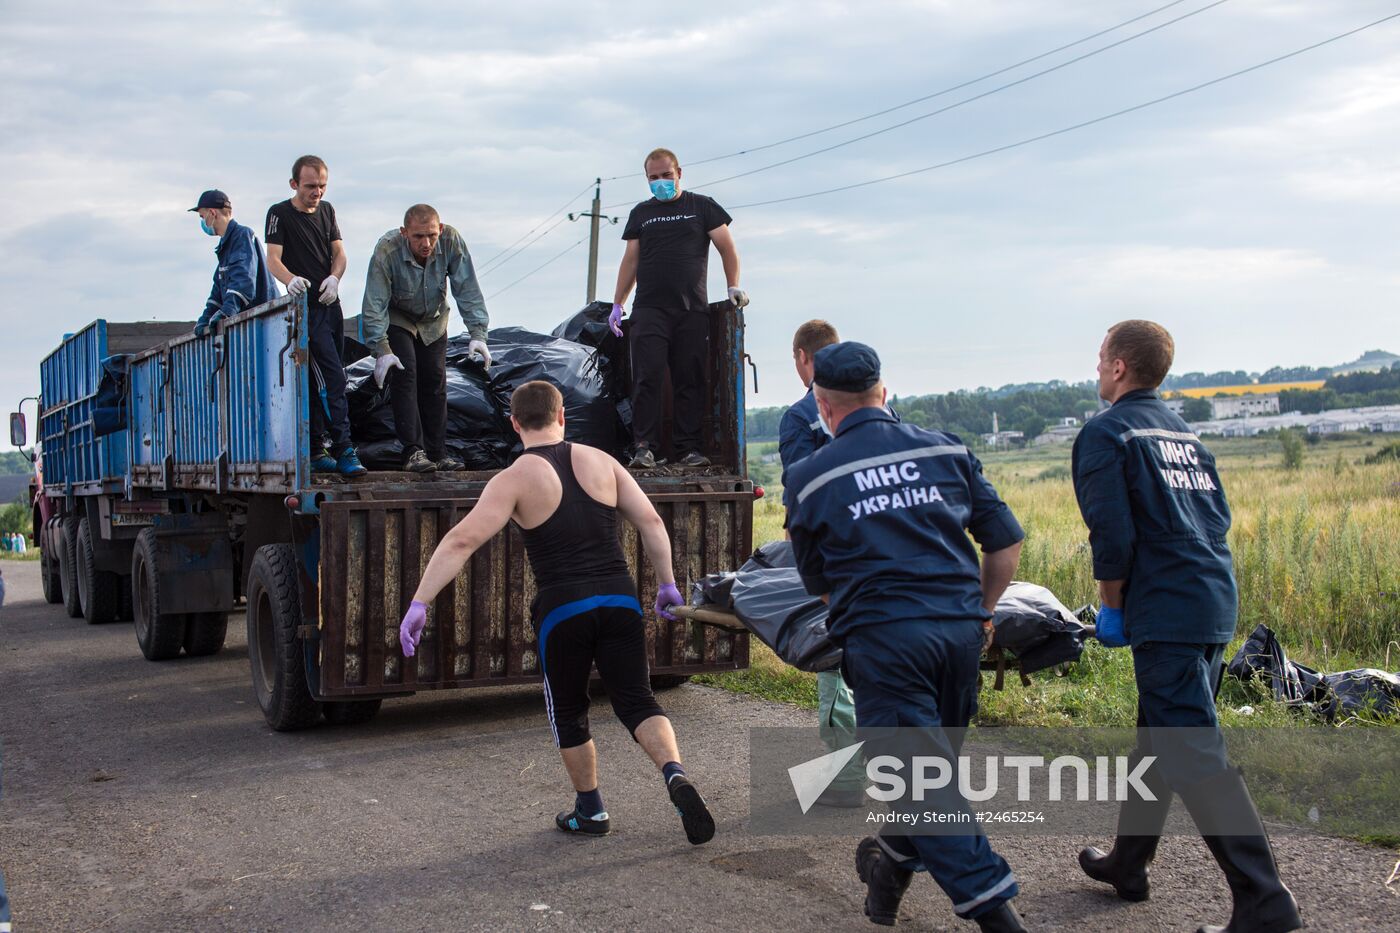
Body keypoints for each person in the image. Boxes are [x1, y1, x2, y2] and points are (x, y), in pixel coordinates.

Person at [398, 381, 715, 845]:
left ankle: (591, 811)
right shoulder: (602, 462)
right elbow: (650, 521)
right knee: (637, 700)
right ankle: (674, 773)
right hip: (619, 599)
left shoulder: (511, 479)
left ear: (514, 423)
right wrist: (667, 584)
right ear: (562, 415)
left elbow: (462, 541)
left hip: (563, 609)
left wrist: (419, 603)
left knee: (568, 711)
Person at [786, 342, 1027, 931]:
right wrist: (984, 612)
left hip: (888, 644)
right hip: (960, 636)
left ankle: (998, 916)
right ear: (883, 393)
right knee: (925, 777)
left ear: (822, 404)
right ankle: (887, 875)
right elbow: (1004, 541)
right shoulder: (945, 447)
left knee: (923, 785)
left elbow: (819, 584)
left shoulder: (811, 477)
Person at [1072, 320, 1301, 933]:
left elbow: (1111, 534)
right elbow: (1217, 516)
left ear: (1120, 366)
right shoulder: (1183, 432)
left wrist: (1111, 604)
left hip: (1165, 607)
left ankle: (1265, 902)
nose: (1096, 369)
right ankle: (1128, 862)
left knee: (1194, 751)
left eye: (1100, 359)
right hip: (1211, 600)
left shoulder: (1106, 433)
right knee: (1161, 739)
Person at [609, 147, 748, 470]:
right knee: (648, 377)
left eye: (666, 176)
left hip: (691, 310)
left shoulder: (701, 207)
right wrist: (618, 302)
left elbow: (727, 247)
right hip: (649, 309)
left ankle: (689, 448)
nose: (660, 182)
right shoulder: (641, 213)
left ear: (679, 173)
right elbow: (631, 260)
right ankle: (645, 447)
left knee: (690, 378)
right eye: (653, 178)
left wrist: (733, 285)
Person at [778, 320, 862, 808]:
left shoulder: (800, 415)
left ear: (804, 359)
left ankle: (845, 777)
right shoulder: (878, 404)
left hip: (835, 553)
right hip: (885, 549)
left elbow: (801, 490)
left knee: (836, 657)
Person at [362, 204, 490, 474]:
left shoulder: (451, 241)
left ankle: (438, 452)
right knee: (405, 374)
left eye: (432, 235)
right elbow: (374, 304)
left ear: (440, 229)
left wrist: (478, 333)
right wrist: (382, 349)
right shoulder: (387, 249)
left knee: (435, 380)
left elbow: (466, 287)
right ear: (404, 232)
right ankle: (413, 451)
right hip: (398, 318)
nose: (426, 243)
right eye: (418, 236)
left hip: (433, 320)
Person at [265, 155, 365, 477]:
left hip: (330, 303)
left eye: (322, 186)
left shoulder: (328, 211)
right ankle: (344, 449)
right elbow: (272, 259)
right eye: (310, 186)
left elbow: (339, 253)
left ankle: (313, 448)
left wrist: (336, 277)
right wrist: (289, 279)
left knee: (323, 378)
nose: (317, 192)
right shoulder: (279, 214)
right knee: (332, 378)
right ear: (295, 184)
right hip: (304, 310)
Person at [188, 190, 279, 338]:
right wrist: (206, 317)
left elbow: (244, 281)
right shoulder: (226, 246)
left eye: (202, 216)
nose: (202, 222)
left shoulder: (242, 236)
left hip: (267, 324)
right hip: (250, 326)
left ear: (212, 213)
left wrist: (227, 312)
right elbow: (219, 288)